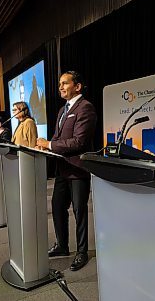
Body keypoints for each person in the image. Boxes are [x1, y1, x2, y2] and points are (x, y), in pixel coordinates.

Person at [36, 71, 97, 271]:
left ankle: (82, 252)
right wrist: (45, 146)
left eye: (65, 83)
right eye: (59, 84)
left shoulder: (85, 107)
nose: (61, 87)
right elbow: (57, 137)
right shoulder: (63, 109)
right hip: (62, 168)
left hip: (78, 169)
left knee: (80, 212)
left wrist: (49, 144)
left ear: (77, 86)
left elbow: (79, 142)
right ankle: (62, 245)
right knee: (57, 206)